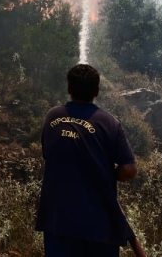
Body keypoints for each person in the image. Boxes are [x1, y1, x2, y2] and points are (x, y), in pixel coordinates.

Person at [36, 63, 143, 257]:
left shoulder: (52, 116)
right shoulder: (109, 123)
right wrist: (108, 173)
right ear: (97, 91)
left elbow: (49, 154)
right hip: (99, 226)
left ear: (69, 88)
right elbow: (129, 170)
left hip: (57, 221)